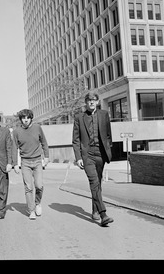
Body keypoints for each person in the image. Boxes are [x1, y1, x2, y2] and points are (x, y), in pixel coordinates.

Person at [72, 91, 114, 226]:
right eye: (89, 100)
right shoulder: (79, 117)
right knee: (94, 182)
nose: (91, 102)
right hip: (87, 154)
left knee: (98, 184)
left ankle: (95, 210)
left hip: (100, 154)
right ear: (86, 102)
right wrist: (78, 157)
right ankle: (103, 214)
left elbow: (108, 135)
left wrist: (108, 150)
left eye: (94, 100)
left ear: (97, 102)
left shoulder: (104, 114)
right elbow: (76, 140)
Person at [13, 109, 49, 220]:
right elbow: (14, 148)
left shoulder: (37, 128)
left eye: (28, 118)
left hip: (37, 161)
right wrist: (15, 164)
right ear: (21, 119)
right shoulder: (16, 131)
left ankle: (37, 203)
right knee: (28, 187)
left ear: (31, 118)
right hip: (25, 162)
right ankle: (31, 210)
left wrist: (46, 157)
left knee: (39, 185)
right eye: (23, 118)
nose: (26, 120)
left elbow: (44, 142)